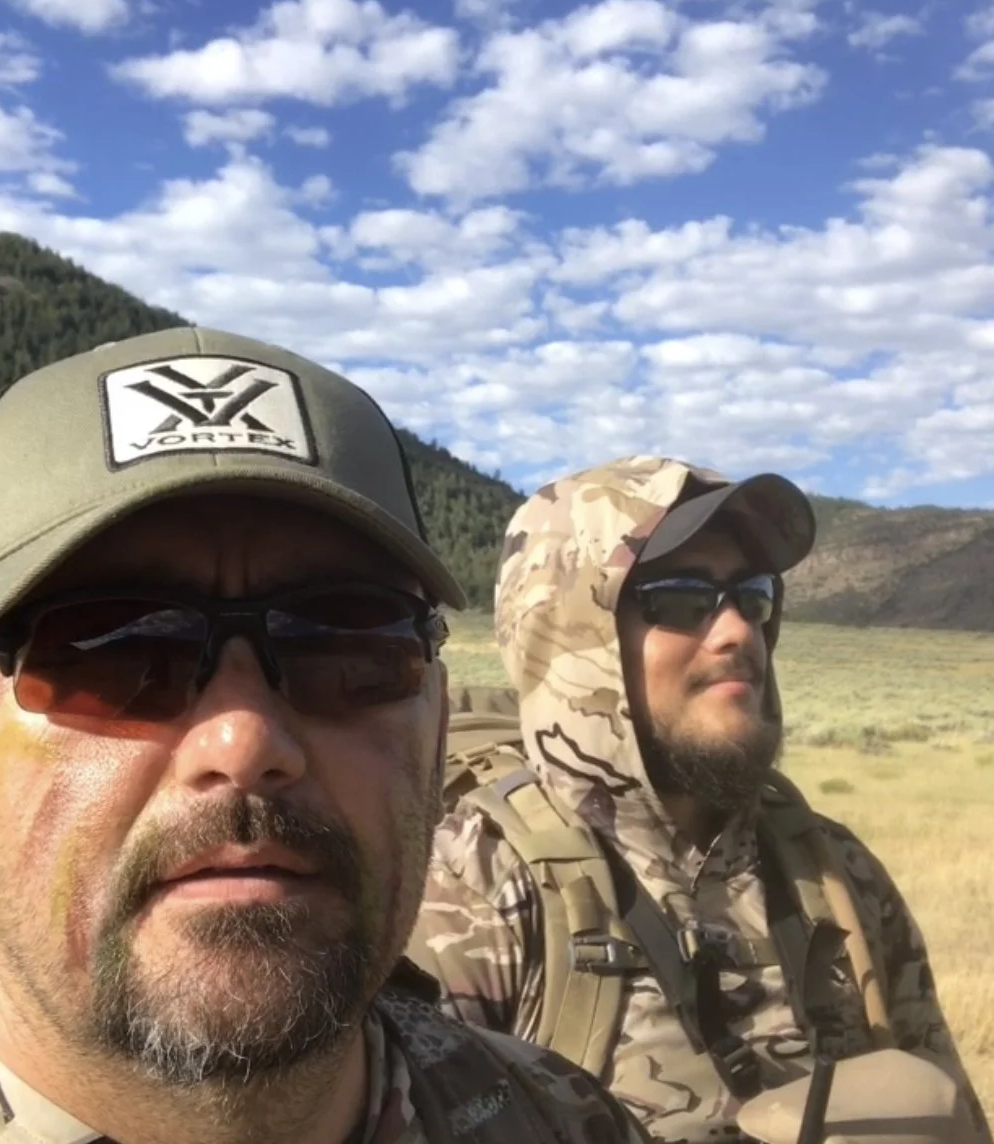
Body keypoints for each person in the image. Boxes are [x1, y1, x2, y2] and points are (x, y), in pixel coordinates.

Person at [0, 328, 652, 1144]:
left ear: (435, 743)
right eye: (116, 649)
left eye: (348, 645)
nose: (244, 742)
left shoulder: (563, 1119)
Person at [406, 455, 991, 1144]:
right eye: (681, 599)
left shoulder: (835, 872)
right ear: (571, 633)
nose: (739, 631)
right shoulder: (471, 888)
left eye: (754, 596)